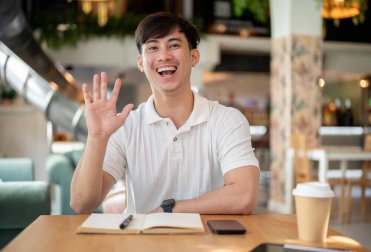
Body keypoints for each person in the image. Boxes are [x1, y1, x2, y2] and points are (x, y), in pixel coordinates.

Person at [70, 12, 260, 215]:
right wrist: (97, 137)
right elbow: (82, 204)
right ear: (141, 63)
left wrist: (170, 210)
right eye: (153, 47)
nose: (164, 56)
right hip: (143, 243)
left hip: (208, 244)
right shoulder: (125, 126)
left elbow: (244, 196)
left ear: (193, 56)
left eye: (174, 45)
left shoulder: (226, 120)